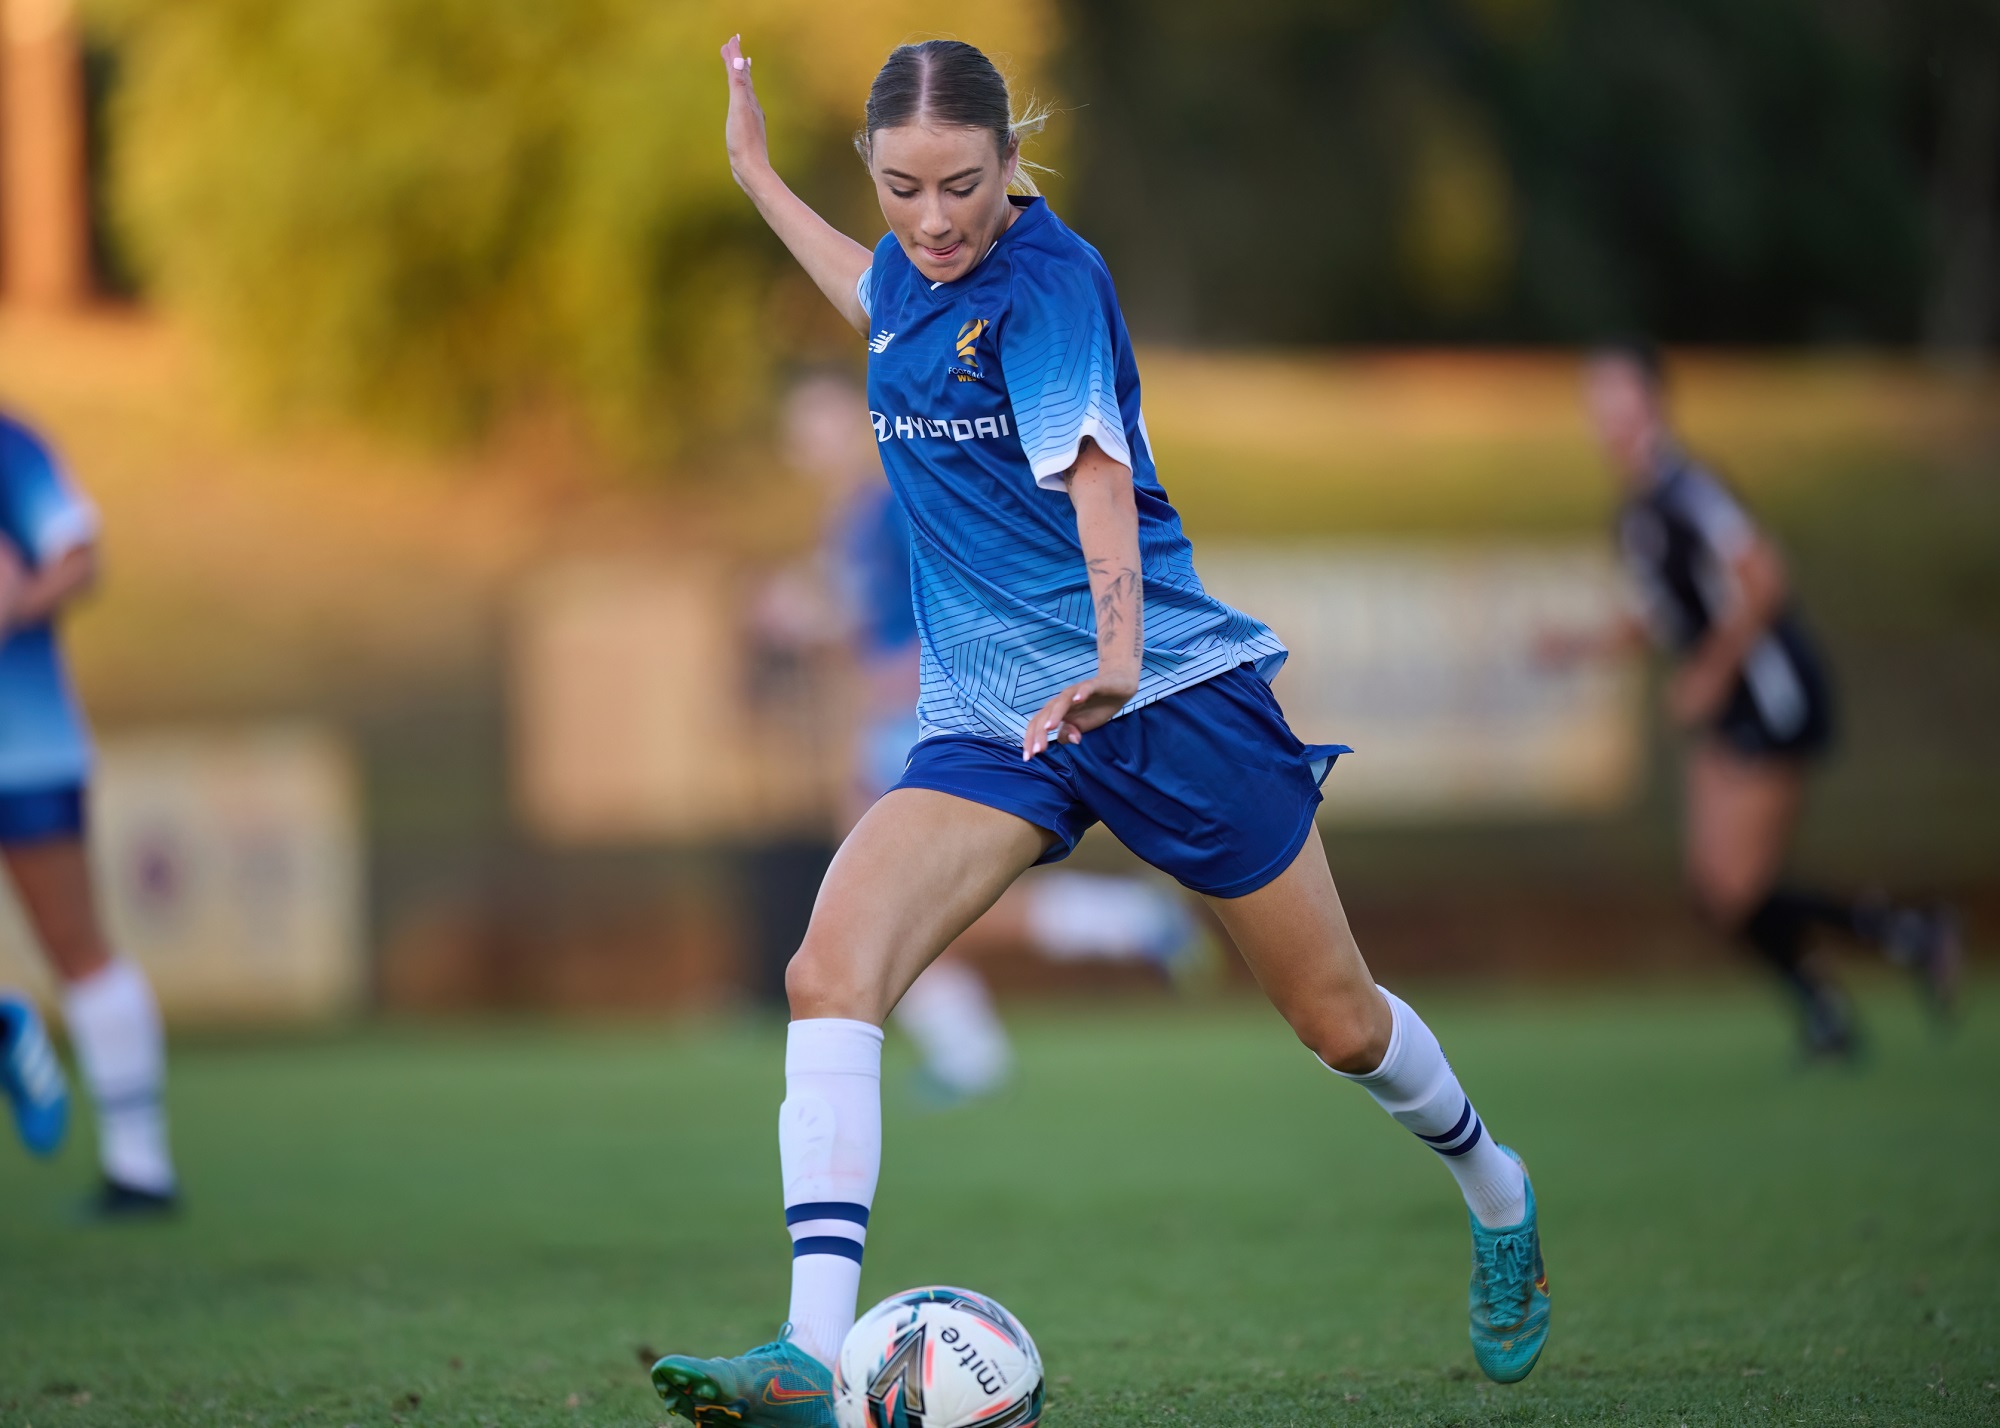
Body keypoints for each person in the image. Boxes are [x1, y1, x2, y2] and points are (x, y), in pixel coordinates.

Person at [649, 39, 1552, 1425]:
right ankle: (802, 1351)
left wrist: (1119, 663)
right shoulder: (906, 275)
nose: (932, 221)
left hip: (1169, 696)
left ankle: (1497, 1187)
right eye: (901, 188)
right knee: (830, 970)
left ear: (1013, 161)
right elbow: (869, 294)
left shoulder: (1053, 286)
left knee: (1336, 1020)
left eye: (959, 186)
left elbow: (1094, 484)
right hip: (990, 724)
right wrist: (757, 175)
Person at [761, 371, 1217, 1104]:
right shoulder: (846, 521)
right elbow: (863, 632)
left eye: (828, 426)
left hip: (917, 721)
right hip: (881, 724)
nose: (815, 446)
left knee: (890, 901)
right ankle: (984, 1035)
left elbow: (955, 608)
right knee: (882, 902)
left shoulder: (893, 508)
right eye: (803, 434)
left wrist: (863, 661)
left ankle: (1115, 930)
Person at [1538, 344, 1960, 1058]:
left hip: (1771, 691)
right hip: (1732, 703)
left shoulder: (1690, 488)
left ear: (1652, 402)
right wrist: (1579, 645)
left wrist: (1709, 669)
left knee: (1736, 886)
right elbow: (1662, 616)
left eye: (1618, 395)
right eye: (1596, 397)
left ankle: (1895, 949)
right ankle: (1873, 970)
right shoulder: (1637, 512)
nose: (1605, 413)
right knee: (1717, 890)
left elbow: (1764, 578)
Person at [0, 412, 178, 1214]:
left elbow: (80, 560)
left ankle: (140, 1168)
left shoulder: (11, 448)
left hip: (25, 744)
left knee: (77, 946)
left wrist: (17, 601)